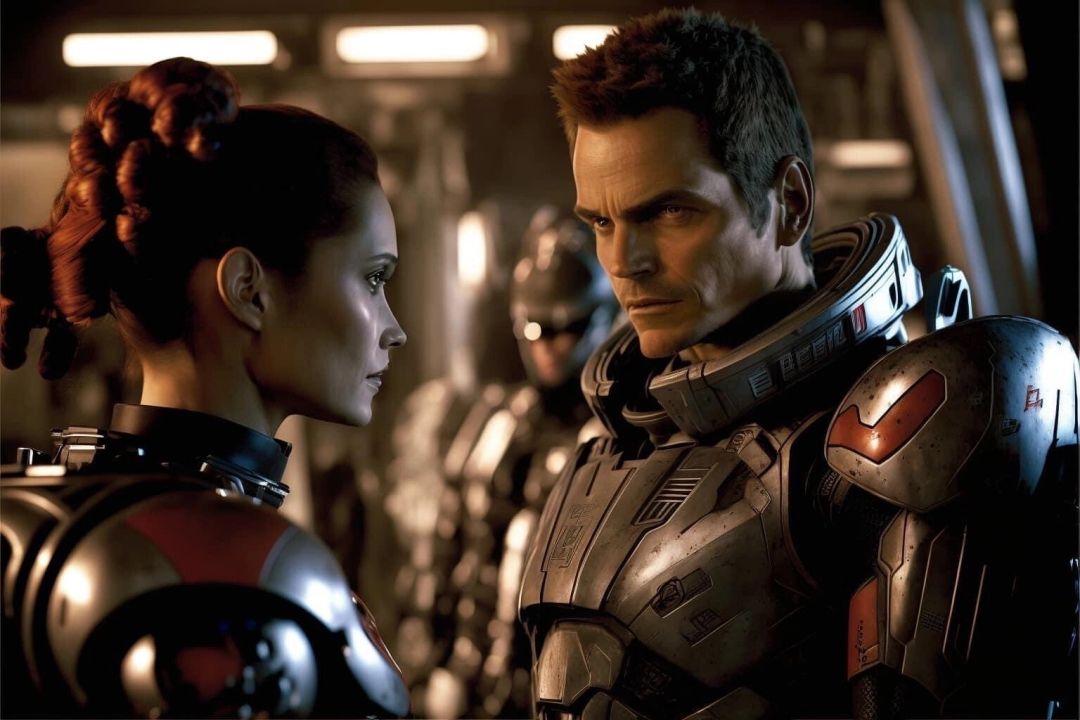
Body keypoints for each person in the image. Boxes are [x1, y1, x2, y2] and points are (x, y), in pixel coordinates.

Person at [518, 9, 1079, 720]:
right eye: (602, 221)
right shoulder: (616, 445)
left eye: (668, 213)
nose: (623, 262)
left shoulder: (897, 440)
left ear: (788, 203)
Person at [0, 57, 409, 718]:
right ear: (249, 290)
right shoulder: (233, 571)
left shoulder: (48, 511)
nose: (395, 330)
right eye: (373, 278)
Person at [387, 207, 618, 718]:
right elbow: (445, 547)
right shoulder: (497, 421)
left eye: (565, 327)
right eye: (532, 328)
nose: (546, 345)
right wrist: (430, 664)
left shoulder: (615, 441)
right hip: (465, 685)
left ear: (602, 318)